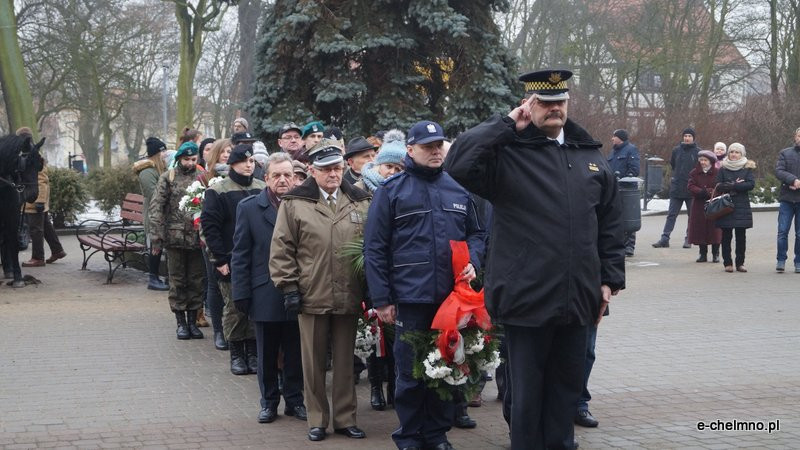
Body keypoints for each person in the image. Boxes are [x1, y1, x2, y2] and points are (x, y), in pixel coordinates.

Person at [445, 69, 625, 450]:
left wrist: (609, 280)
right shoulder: (508, 154)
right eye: (544, 103)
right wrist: (507, 123)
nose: (554, 109)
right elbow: (458, 162)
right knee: (526, 397)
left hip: (578, 298)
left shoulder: (588, 155)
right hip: (526, 297)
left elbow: (610, 224)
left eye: (559, 101)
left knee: (566, 389)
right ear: (529, 104)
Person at [364, 120, 486, 450]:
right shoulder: (392, 191)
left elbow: (477, 233)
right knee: (410, 373)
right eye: (428, 146)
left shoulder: (457, 190)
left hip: (451, 300)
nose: (435, 151)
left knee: (445, 368)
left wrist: (474, 259)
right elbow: (374, 247)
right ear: (410, 150)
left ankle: (436, 434)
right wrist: (382, 299)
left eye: (439, 146)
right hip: (410, 300)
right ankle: (409, 436)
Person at [270, 140, 371, 442]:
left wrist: (371, 288)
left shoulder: (360, 201)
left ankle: (344, 418)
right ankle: (317, 418)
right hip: (311, 292)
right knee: (312, 363)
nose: (333, 174)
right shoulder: (295, 203)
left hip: (349, 293)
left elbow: (372, 248)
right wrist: (288, 287)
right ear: (312, 170)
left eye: (338, 168)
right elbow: (282, 248)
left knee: (344, 362)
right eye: (327, 169)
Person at [232, 152, 307, 424]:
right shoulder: (250, 208)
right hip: (264, 291)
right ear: (266, 178)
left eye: (288, 174)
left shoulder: (304, 205)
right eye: (277, 175)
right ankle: (269, 402)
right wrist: (240, 292)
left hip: (300, 291)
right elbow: (240, 254)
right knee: (266, 353)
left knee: (296, 351)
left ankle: (295, 400)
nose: (283, 180)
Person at [352, 129, 405, 412]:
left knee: (396, 333)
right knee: (375, 333)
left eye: (398, 167)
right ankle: (375, 385)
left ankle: (395, 386)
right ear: (378, 165)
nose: (392, 172)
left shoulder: (407, 189)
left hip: (397, 272)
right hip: (368, 269)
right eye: (388, 166)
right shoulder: (361, 190)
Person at [201, 144, 267, 375]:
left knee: (255, 307)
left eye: (251, 162)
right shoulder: (218, 190)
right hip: (230, 259)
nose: (249, 166)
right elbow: (210, 227)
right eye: (243, 162)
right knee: (235, 307)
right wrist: (220, 259)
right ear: (232, 164)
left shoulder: (262, 188)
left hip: (258, 260)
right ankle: (237, 353)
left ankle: (253, 353)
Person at [149, 141, 206, 340]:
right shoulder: (169, 177)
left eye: (193, 159)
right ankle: (181, 322)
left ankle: (193, 320)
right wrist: (156, 237)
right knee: (178, 281)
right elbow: (156, 207)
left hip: (197, 239)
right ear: (179, 159)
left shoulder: (202, 178)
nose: (190, 163)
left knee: (196, 281)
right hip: (174, 238)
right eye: (186, 159)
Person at [132, 137, 169, 290]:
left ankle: (163, 277)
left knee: (160, 247)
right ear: (156, 154)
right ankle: (153, 278)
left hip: (161, 215)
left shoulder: (158, 170)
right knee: (156, 247)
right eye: (163, 151)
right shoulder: (147, 172)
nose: (166, 154)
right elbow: (154, 194)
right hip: (154, 216)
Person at [653, 128, 699, 249]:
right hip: (677, 187)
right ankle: (665, 238)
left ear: (693, 138)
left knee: (692, 216)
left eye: (689, 136)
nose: (687, 138)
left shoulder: (698, 152)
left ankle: (689, 238)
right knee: (671, 215)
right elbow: (673, 164)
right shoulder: (676, 150)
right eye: (685, 136)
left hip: (691, 188)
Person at [715, 143, 756, 273]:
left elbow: (750, 184)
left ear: (741, 154)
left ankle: (740, 263)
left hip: (741, 206)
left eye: (737, 152)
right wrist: (734, 184)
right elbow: (718, 185)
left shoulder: (747, 168)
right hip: (725, 206)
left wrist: (734, 186)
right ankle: (727, 263)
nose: (733, 154)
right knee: (726, 236)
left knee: (741, 236)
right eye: (731, 151)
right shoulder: (722, 168)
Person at [21, 158, 66, 267]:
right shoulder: (28, 155)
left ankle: (38, 258)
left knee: (36, 229)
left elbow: (41, 180)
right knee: (45, 226)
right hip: (35, 199)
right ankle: (57, 250)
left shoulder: (34, 157)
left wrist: (40, 200)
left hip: (35, 200)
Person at [607, 129, 640, 257]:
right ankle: (619, 243)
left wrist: (622, 178)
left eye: (614, 136)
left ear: (620, 138)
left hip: (627, 189)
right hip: (614, 189)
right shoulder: (613, 151)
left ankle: (629, 245)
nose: (612, 138)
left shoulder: (631, 150)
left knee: (628, 217)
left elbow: (634, 169)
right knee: (616, 217)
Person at [687, 150, 722, 263]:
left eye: (705, 160)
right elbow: (690, 186)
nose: (702, 162)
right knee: (700, 229)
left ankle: (716, 254)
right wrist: (701, 191)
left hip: (714, 203)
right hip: (699, 204)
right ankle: (703, 254)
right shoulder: (694, 172)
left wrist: (712, 192)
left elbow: (720, 186)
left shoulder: (717, 172)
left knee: (714, 230)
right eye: (701, 160)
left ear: (710, 161)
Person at [774, 127, 800, 273]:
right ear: (795, 137)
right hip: (787, 199)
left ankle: (798, 261)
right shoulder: (785, 152)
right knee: (782, 231)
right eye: (799, 135)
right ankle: (781, 260)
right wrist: (793, 180)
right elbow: (779, 171)